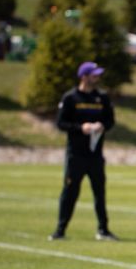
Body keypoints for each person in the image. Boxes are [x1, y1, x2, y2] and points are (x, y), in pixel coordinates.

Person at [50, 61, 118, 241]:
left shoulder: (102, 98)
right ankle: (60, 230)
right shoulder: (70, 98)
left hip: (95, 154)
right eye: (94, 74)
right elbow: (61, 123)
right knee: (70, 191)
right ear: (84, 77)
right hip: (76, 154)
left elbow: (110, 121)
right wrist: (82, 128)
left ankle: (103, 230)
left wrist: (102, 126)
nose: (97, 78)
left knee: (99, 192)